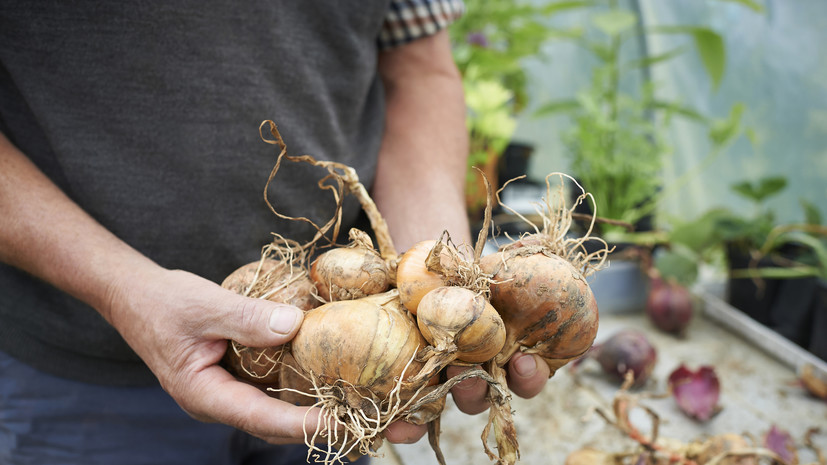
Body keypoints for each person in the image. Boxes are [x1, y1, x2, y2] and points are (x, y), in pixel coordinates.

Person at [0, 1, 551, 463]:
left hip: (343, 384)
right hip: (81, 378)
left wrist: (435, 278)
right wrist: (118, 288)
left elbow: (420, 67)